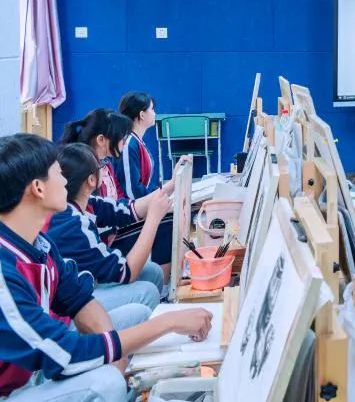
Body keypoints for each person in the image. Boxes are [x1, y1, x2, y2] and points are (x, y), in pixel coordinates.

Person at [0, 133, 212, 402]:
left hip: (40, 365)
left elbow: (80, 300)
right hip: (16, 388)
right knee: (106, 383)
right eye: (57, 173)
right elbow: (64, 354)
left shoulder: (40, 244)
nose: (65, 180)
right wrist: (169, 322)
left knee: (136, 315)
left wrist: (115, 355)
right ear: (38, 189)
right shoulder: (5, 273)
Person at [47, 144, 170, 312]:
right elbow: (127, 272)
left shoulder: (86, 202)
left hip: (87, 281)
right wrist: (154, 218)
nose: (105, 168)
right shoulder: (73, 224)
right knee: (147, 293)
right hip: (75, 301)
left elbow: (130, 209)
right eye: (101, 165)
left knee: (152, 271)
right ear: (91, 180)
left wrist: (171, 185)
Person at [60, 109, 132, 201]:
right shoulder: (83, 170)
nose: (125, 143)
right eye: (122, 138)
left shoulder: (107, 164)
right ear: (101, 140)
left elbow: (118, 194)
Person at [117, 91, 160, 199]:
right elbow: (132, 193)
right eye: (152, 109)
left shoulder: (136, 141)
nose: (155, 113)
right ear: (142, 115)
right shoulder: (128, 145)